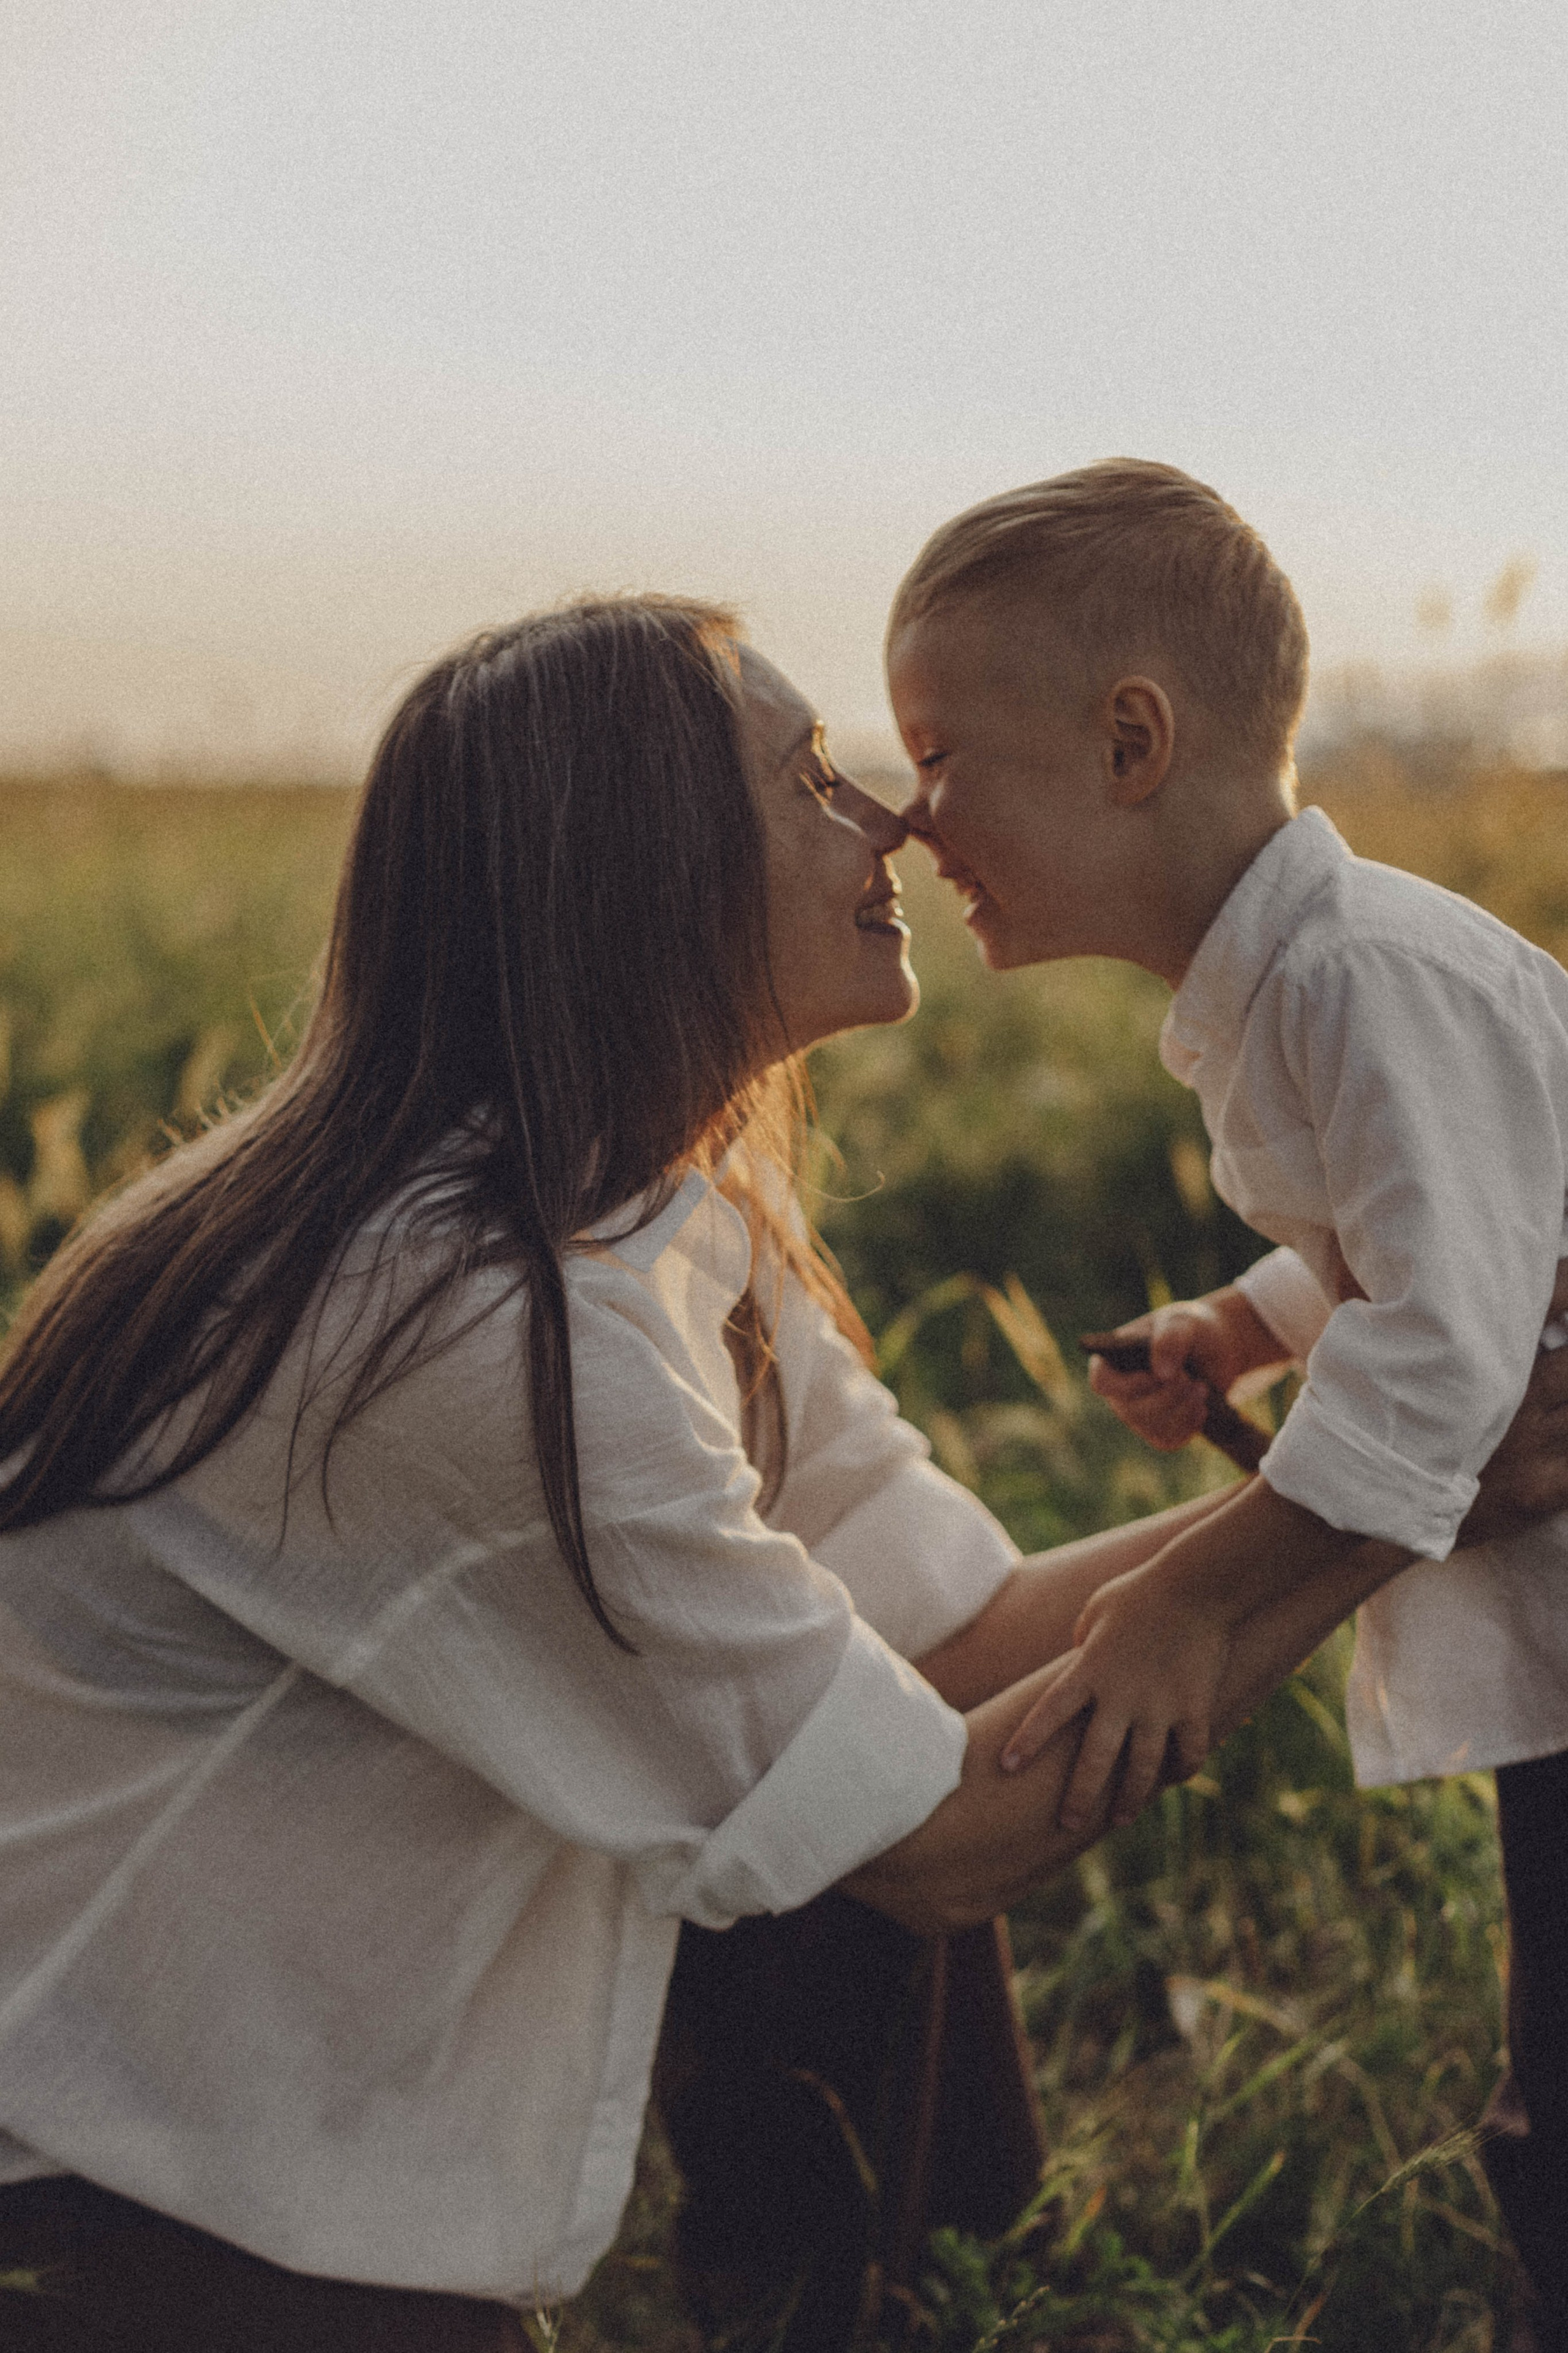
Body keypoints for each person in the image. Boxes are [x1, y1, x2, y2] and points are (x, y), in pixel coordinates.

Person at [7, 594, 1493, 2353]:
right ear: (643, 870)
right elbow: (943, 1840)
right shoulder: (460, 1328)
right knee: (863, 1839)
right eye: (806, 780)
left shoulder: (655, 1219)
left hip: (286, 2129)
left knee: (838, 1779)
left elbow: (958, 1645)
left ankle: (923, 2318)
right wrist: (1407, 1481)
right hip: (121, 2194)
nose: (895, 818)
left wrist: (1395, 1470)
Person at [885, 461, 1568, 2346]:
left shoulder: (1364, 980)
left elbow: (1449, 1341)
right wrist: (1240, 1326)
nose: (909, 817)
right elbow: (1402, 1238)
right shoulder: (1299, 988)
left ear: (1129, 740)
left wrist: (1192, 1592)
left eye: (940, 758)